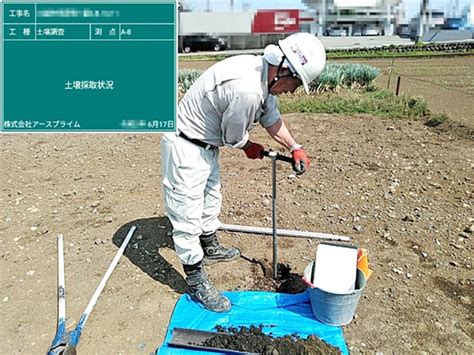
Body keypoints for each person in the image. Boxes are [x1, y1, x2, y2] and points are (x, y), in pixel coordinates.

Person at [161, 32, 326, 312]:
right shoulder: (247, 89)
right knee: (186, 215)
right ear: (283, 69)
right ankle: (196, 280)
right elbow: (233, 136)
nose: (293, 91)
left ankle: (209, 245)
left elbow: (271, 118)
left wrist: (295, 146)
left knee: (211, 198)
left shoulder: (261, 74)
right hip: (186, 145)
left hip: (206, 144)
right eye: (295, 83)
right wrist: (250, 147)